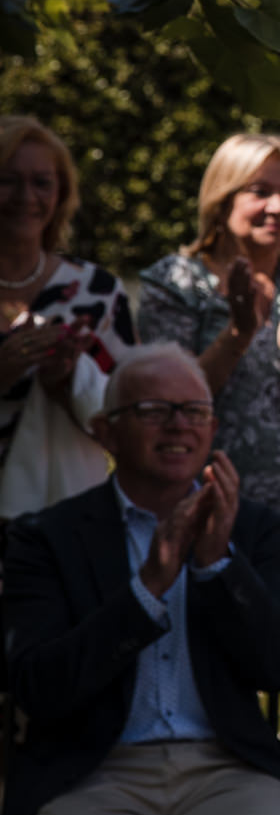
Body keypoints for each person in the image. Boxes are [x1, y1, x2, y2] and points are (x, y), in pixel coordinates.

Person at [1, 343, 280, 815]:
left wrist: (218, 566)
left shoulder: (249, 527)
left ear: (214, 429)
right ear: (106, 432)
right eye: (154, 409)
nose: (178, 425)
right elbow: (37, 686)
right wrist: (149, 585)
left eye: (194, 411)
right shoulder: (46, 537)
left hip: (224, 768)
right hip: (94, 771)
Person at [139, 133, 280, 645]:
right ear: (223, 197)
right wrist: (238, 335)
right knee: (219, 664)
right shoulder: (176, 282)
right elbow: (167, 407)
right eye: (260, 191)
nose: (278, 207)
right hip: (212, 509)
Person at [0, 116, 138, 517]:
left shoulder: (98, 293)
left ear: (61, 194)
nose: (26, 197)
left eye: (42, 182)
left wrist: (65, 384)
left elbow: (131, 416)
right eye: (8, 180)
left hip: (64, 517)